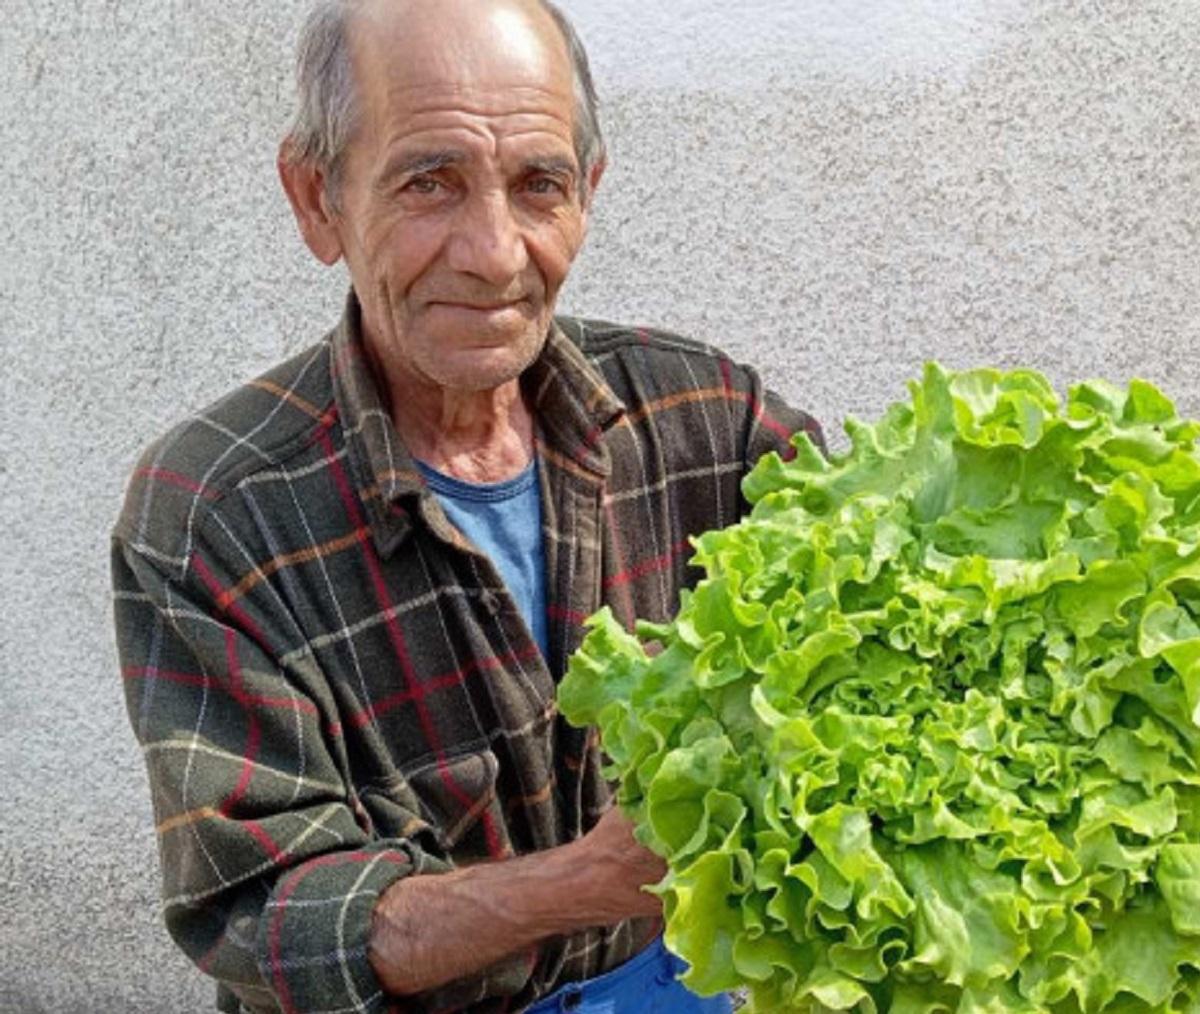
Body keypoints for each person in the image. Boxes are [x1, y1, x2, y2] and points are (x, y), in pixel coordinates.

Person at [110, 1, 821, 1011]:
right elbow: (264, 914)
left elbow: (884, 635)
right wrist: (589, 880)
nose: (493, 253)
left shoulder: (710, 420)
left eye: (539, 185)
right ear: (317, 200)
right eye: (428, 183)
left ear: (588, 193)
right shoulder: (211, 514)